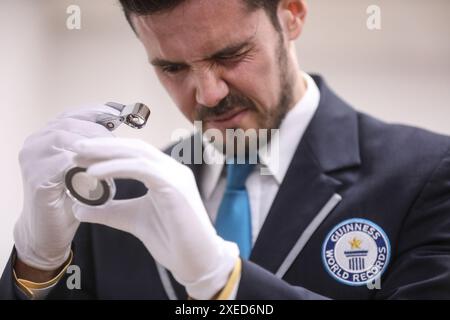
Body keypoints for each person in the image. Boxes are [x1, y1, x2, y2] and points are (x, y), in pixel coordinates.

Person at [1, 0, 450, 300]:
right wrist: (39, 266)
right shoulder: (116, 201)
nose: (209, 94)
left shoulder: (427, 176)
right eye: (173, 67)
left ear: (291, 14)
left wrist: (225, 281)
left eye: (230, 56)